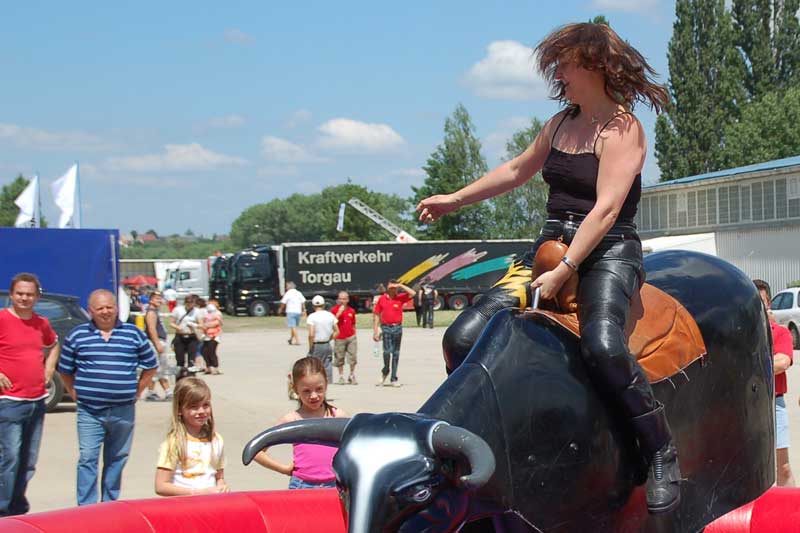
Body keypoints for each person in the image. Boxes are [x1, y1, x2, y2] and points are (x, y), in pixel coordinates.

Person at [416, 22, 679, 513]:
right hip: (547, 250)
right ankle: (489, 436)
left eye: (564, 62)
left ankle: (660, 449)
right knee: (463, 337)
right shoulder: (560, 124)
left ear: (594, 66)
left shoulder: (623, 128)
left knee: (602, 345)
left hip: (607, 252)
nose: (557, 71)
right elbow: (517, 169)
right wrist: (454, 200)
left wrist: (568, 267)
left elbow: (605, 210)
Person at [58, 289, 158, 506]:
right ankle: (86, 507)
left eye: (109, 307)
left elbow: (151, 364)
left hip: (123, 411)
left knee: (117, 459)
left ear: (116, 308)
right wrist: (73, 392)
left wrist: (138, 390)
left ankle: (109, 505)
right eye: (100, 308)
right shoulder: (78, 335)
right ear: (90, 310)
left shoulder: (133, 333)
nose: (105, 312)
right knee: (87, 459)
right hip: (90, 412)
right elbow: (65, 369)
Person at [0, 273, 59, 517]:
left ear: (37, 296)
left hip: (36, 401)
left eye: (30, 294)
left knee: (28, 461)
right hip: (10, 402)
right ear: (12, 295)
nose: (25, 298)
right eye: (20, 293)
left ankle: (17, 509)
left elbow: (54, 344)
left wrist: (49, 368)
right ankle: (3, 512)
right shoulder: (2, 319)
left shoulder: (41, 323)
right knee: (9, 458)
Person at [254, 356, 347, 489]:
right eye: (306, 391)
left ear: (326, 383)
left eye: (319, 389)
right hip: (302, 485)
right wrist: (284, 469)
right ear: (295, 389)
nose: (313, 396)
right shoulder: (292, 420)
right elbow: (256, 452)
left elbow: (354, 449)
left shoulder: (337, 416)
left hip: (334, 485)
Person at [154, 377, 229, 496]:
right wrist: (197, 493)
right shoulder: (175, 442)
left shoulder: (216, 439)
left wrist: (221, 486)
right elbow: (161, 486)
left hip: (210, 505)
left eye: (206, 405)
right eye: (194, 407)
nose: (201, 411)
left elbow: (219, 476)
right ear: (179, 410)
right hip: (183, 507)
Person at [754, 279, 795, 487]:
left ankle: (793, 514)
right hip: (746, 408)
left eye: (761, 301)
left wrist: (750, 366)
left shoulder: (780, 332)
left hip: (773, 405)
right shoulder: (741, 334)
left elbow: (783, 361)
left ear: (768, 302)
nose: (758, 306)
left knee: (783, 466)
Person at [372, 279, 415, 387]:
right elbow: (376, 315)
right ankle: (385, 370)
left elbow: (413, 293)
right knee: (387, 352)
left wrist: (400, 285)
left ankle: (394, 377)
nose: (393, 290)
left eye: (394, 288)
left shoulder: (400, 298)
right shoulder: (382, 299)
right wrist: (375, 331)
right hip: (386, 328)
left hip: (397, 328)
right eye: (391, 288)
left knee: (395, 353)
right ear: (387, 288)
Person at [143, 291, 172, 402]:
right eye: (156, 298)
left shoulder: (155, 311)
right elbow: (151, 329)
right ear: (150, 300)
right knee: (157, 368)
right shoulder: (151, 313)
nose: (159, 300)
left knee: (159, 369)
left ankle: (156, 392)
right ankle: (156, 392)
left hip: (159, 342)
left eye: (160, 298)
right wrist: (157, 344)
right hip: (155, 343)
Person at [306, 295, 338, 383]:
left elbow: (311, 335)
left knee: (314, 366)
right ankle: (326, 383)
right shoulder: (330, 315)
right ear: (324, 305)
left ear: (313, 306)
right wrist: (328, 339)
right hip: (326, 344)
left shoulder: (312, 317)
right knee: (327, 364)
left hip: (317, 344)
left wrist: (310, 346)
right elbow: (337, 331)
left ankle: (315, 383)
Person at [331, 291, 358, 385]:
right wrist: (339, 313)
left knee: (352, 357)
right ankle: (341, 376)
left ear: (348, 300)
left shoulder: (351, 310)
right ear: (338, 299)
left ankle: (351, 375)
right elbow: (332, 322)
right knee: (339, 357)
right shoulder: (334, 310)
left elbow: (353, 323)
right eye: (341, 299)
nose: (342, 301)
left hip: (351, 337)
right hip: (339, 337)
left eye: (344, 299)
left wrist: (354, 334)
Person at [169, 294, 199, 371]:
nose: (189, 304)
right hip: (180, 336)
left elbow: (201, 324)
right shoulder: (177, 310)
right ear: (185, 302)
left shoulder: (197, 311)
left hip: (191, 336)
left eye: (191, 302)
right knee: (180, 358)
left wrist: (194, 325)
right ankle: (180, 375)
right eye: (188, 302)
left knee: (191, 359)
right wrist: (178, 327)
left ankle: (191, 375)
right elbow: (171, 323)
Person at [200, 300, 223, 375]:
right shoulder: (205, 313)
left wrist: (206, 325)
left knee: (211, 351)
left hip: (215, 335)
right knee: (204, 351)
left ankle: (215, 367)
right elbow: (201, 322)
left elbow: (217, 323)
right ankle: (208, 366)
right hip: (206, 335)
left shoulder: (217, 313)